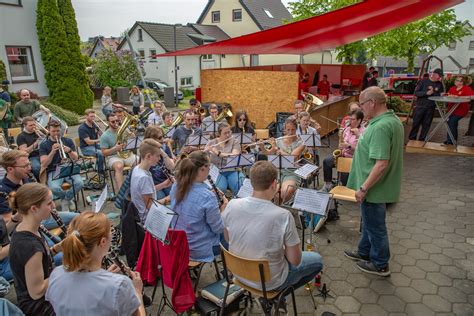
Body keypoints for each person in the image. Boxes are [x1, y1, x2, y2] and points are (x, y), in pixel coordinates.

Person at [222, 161, 323, 297]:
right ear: (275, 184)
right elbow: (295, 260)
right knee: (318, 261)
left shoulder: (232, 204)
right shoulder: (283, 216)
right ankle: (280, 295)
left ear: (251, 183)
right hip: (269, 282)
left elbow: (228, 239)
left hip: (238, 274)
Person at [345, 87, 403, 276]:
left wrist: (363, 187)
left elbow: (381, 164)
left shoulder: (380, 127)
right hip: (380, 187)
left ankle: (380, 264)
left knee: (376, 227)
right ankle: (364, 253)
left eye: (362, 104)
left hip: (374, 189)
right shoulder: (391, 120)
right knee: (369, 223)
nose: (361, 109)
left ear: (372, 103)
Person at [45, 211, 145, 315]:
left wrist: (104, 275)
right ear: (102, 242)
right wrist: (137, 293)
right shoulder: (119, 286)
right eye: (111, 231)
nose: (112, 234)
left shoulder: (56, 274)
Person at [8, 183, 57, 315]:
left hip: (44, 295)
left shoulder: (28, 228)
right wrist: (67, 270)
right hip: (39, 307)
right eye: (49, 203)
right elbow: (37, 292)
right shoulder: (29, 246)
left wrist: (58, 248)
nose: (53, 206)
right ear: (34, 208)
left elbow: (42, 259)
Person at [170, 151, 228, 262]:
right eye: (209, 167)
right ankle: (232, 269)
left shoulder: (176, 185)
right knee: (230, 232)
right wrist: (223, 208)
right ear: (202, 169)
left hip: (180, 244)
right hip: (199, 250)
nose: (210, 170)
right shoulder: (207, 196)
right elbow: (218, 228)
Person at [0, 150, 76, 227]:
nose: (29, 168)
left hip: (42, 215)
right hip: (28, 226)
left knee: (79, 217)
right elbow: (8, 222)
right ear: (10, 169)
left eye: (29, 164)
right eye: (25, 166)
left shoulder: (26, 177)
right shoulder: (3, 191)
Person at [40, 120, 84, 212]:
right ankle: (68, 198)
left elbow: (76, 158)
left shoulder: (68, 141)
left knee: (80, 183)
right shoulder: (44, 144)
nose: (56, 133)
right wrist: (52, 152)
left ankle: (65, 200)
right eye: (53, 131)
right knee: (54, 188)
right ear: (48, 130)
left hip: (68, 167)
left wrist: (70, 151)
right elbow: (44, 163)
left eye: (58, 131)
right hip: (53, 170)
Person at [261, 118, 305, 203]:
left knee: (285, 192)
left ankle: (287, 202)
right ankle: (278, 208)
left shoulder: (301, 142)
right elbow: (269, 154)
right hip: (276, 171)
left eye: (293, 130)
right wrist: (262, 147)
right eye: (288, 130)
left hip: (291, 172)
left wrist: (277, 149)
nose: (290, 132)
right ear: (284, 129)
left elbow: (292, 157)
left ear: (296, 129)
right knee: (274, 193)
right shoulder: (279, 140)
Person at [321, 110, 365, 191]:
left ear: (359, 120)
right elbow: (342, 142)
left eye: (353, 119)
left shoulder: (363, 132)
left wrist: (348, 146)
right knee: (327, 161)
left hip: (354, 158)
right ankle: (328, 184)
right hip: (343, 154)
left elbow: (363, 150)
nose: (350, 121)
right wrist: (341, 146)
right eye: (349, 119)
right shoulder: (347, 129)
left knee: (345, 184)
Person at [100, 113, 137, 191]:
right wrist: (115, 149)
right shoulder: (105, 136)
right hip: (113, 156)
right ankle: (121, 192)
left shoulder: (124, 130)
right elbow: (104, 153)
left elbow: (131, 141)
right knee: (119, 166)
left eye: (117, 120)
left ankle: (135, 187)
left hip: (126, 154)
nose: (116, 123)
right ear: (108, 122)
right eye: (113, 122)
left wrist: (132, 137)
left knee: (140, 161)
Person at [205, 122, 243, 196]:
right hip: (217, 171)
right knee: (220, 189)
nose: (228, 135)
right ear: (219, 134)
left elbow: (234, 155)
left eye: (229, 132)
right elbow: (204, 159)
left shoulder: (235, 141)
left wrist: (219, 153)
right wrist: (206, 152)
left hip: (232, 170)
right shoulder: (211, 142)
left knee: (240, 186)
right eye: (225, 133)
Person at [130, 139, 162, 223]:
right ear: (148, 156)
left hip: (140, 213)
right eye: (158, 156)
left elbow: (145, 191)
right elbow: (150, 205)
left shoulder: (137, 168)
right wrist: (168, 198)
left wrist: (164, 185)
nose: (159, 159)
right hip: (147, 219)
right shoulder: (144, 177)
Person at [408, 68, 444, 141]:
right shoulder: (423, 81)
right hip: (420, 106)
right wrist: (426, 93)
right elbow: (416, 93)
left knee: (426, 124)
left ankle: (422, 140)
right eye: (439, 75)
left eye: (441, 76)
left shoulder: (439, 84)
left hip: (431, 107)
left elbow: (440, 94)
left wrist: (434, 93)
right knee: (416, 123)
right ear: (433, 74)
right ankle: (412, 139)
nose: (440, 77)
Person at [144, 126, 175, 202]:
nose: (162, 140)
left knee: (177, 195)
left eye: (162, 137)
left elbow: (171, 167)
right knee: (163, 198)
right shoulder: (145, 152)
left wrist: (162, 152)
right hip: (154, 185)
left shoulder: (164, 147)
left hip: (166, 181)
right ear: (152, 140)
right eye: (160, 138)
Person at [443, 75, 473, 145]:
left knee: (452, 122)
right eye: (457, 80)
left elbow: (472, 97)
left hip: (461, 110)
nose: (458, 82)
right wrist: (446, 95)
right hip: (451, 109)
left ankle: (451, 141)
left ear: (463, 82)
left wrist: (459, 97)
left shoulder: (467, 88)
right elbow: (448, 95)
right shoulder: (452, 88)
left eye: (461, 81)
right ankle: (451, 140)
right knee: (450, 123)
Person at [78, 109, 104, 175]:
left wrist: (99, 129)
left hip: (94, 145)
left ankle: (99, 166)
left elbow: (102, 135)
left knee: (106, 148)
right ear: (86, 116)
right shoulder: (82, 128)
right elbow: (88, 142)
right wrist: (99, 140)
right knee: (100, 153)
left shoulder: (94, 125)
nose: (93, 118)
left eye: (94, 116)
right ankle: (100, 171)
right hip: (85, 148)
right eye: (91, 116)